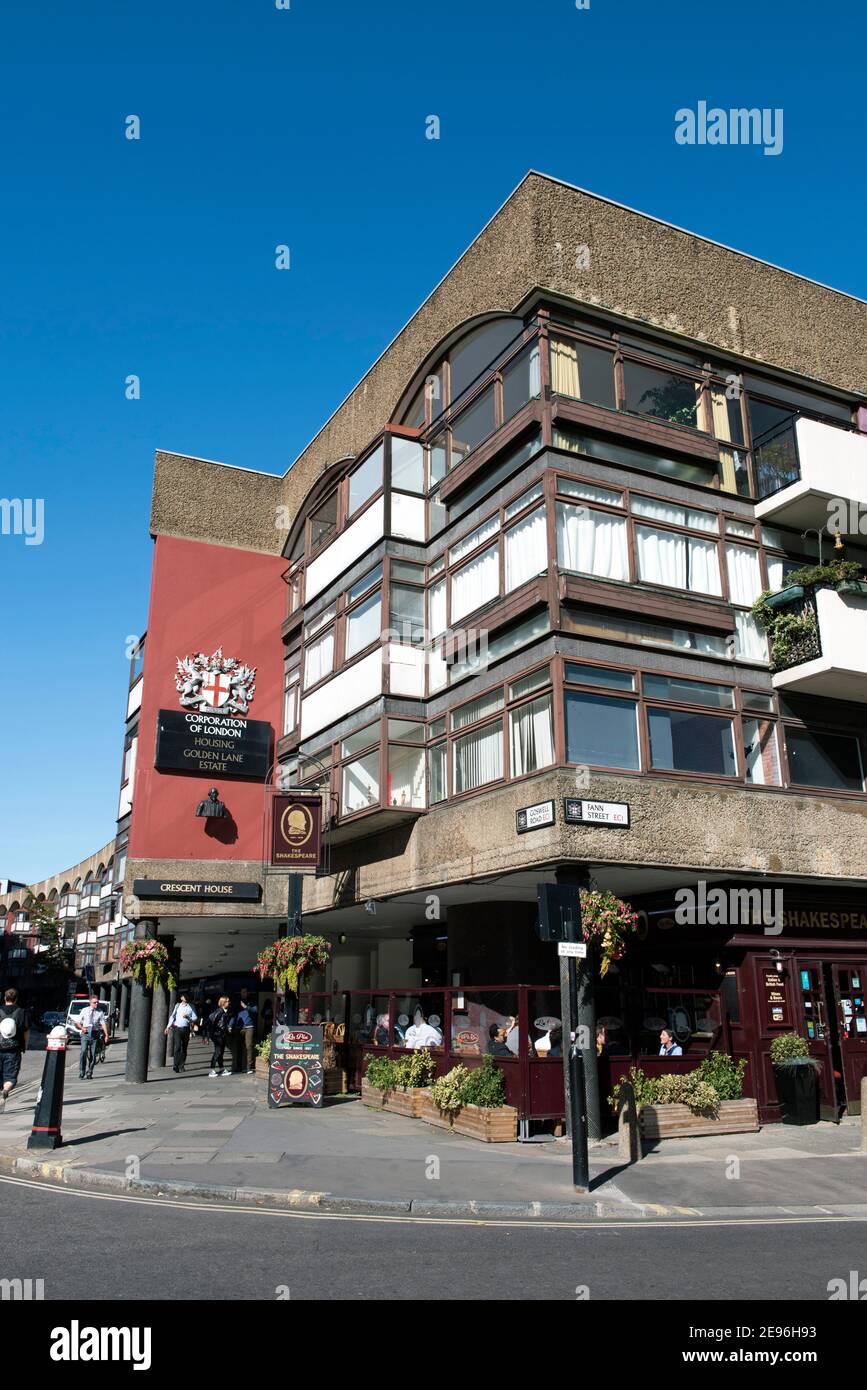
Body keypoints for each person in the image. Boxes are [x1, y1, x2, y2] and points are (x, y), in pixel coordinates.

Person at [0, 987, 29, 1112]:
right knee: (10, 1077)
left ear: (4, 998)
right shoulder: (22, 1012)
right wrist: (25, 1046)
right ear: (16, 999)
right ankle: (5, 1091)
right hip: (14, 1049)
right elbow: (26, 1032)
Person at [165, 992, 198, 1074]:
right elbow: (172, 1016)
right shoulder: (177, 1006)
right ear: (181, 998)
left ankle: (181, 1065)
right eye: (184, 996)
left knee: (184, 1048)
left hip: (186, 1029)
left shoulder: (191, 1006)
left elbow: (195, 1018)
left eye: (187, 996)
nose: (185, 997)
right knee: (177, 1047)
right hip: (177, 1028)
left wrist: (188, 1017)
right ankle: (175, 1065)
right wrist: (168, 1027)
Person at [77, 996, 108, 1080]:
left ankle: (90, 1072)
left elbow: (103, 1024)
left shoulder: (100, 1012)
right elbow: (78, 1022)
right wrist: (82, 1028)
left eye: (97, 1002)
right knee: (83, 1051)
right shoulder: (84, 1010)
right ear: (90, 1003)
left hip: (95, 1033)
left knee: (93, 1055)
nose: (96, 1004)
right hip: (85, 1033)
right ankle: (82, 1071)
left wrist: (106, 1035)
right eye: (95, 1002)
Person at [207, 996, 233, 1077]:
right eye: (227, 1001)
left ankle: (221, 1069)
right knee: (217, 1052)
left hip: (222, 1035)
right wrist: (213, 1035)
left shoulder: (225, 1011)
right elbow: (213, 1023)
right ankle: (211, 1070)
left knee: (220, 1053)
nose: (229, 1002)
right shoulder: (220, 1011)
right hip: (218, 1035)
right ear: (223, 1003)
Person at [236, 989, 258, 1075]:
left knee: (248, 1046)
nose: (243, 993)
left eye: (245, 992)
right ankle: (238, 1067)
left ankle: (249, 1067)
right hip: (240, 1027)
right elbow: (235, 1014)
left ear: (248, 993)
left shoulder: (252, 1002)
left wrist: (246, 1007)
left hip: (249, 1027)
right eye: (242, 992)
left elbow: (255, 1011)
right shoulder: (238, 1002)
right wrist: (231, 1024)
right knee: (239, 1047)